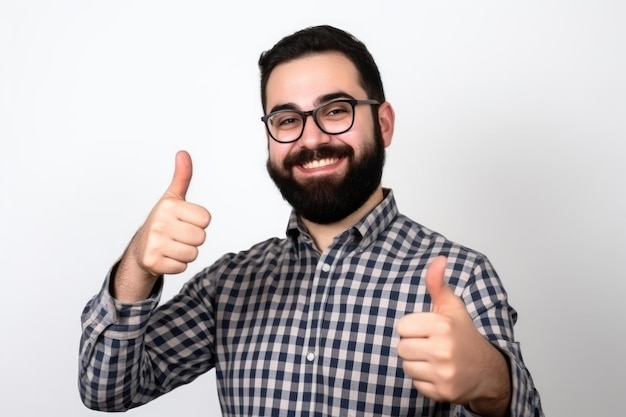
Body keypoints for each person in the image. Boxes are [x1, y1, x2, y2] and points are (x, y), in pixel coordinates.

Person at [78, 25, 544, 417]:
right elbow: (107, 389)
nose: (312, 138)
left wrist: (490, 381)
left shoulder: (460, 277)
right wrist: (138, 263)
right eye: (286, 119)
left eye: (336, 111)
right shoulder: (231, 284)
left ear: (383, 124)